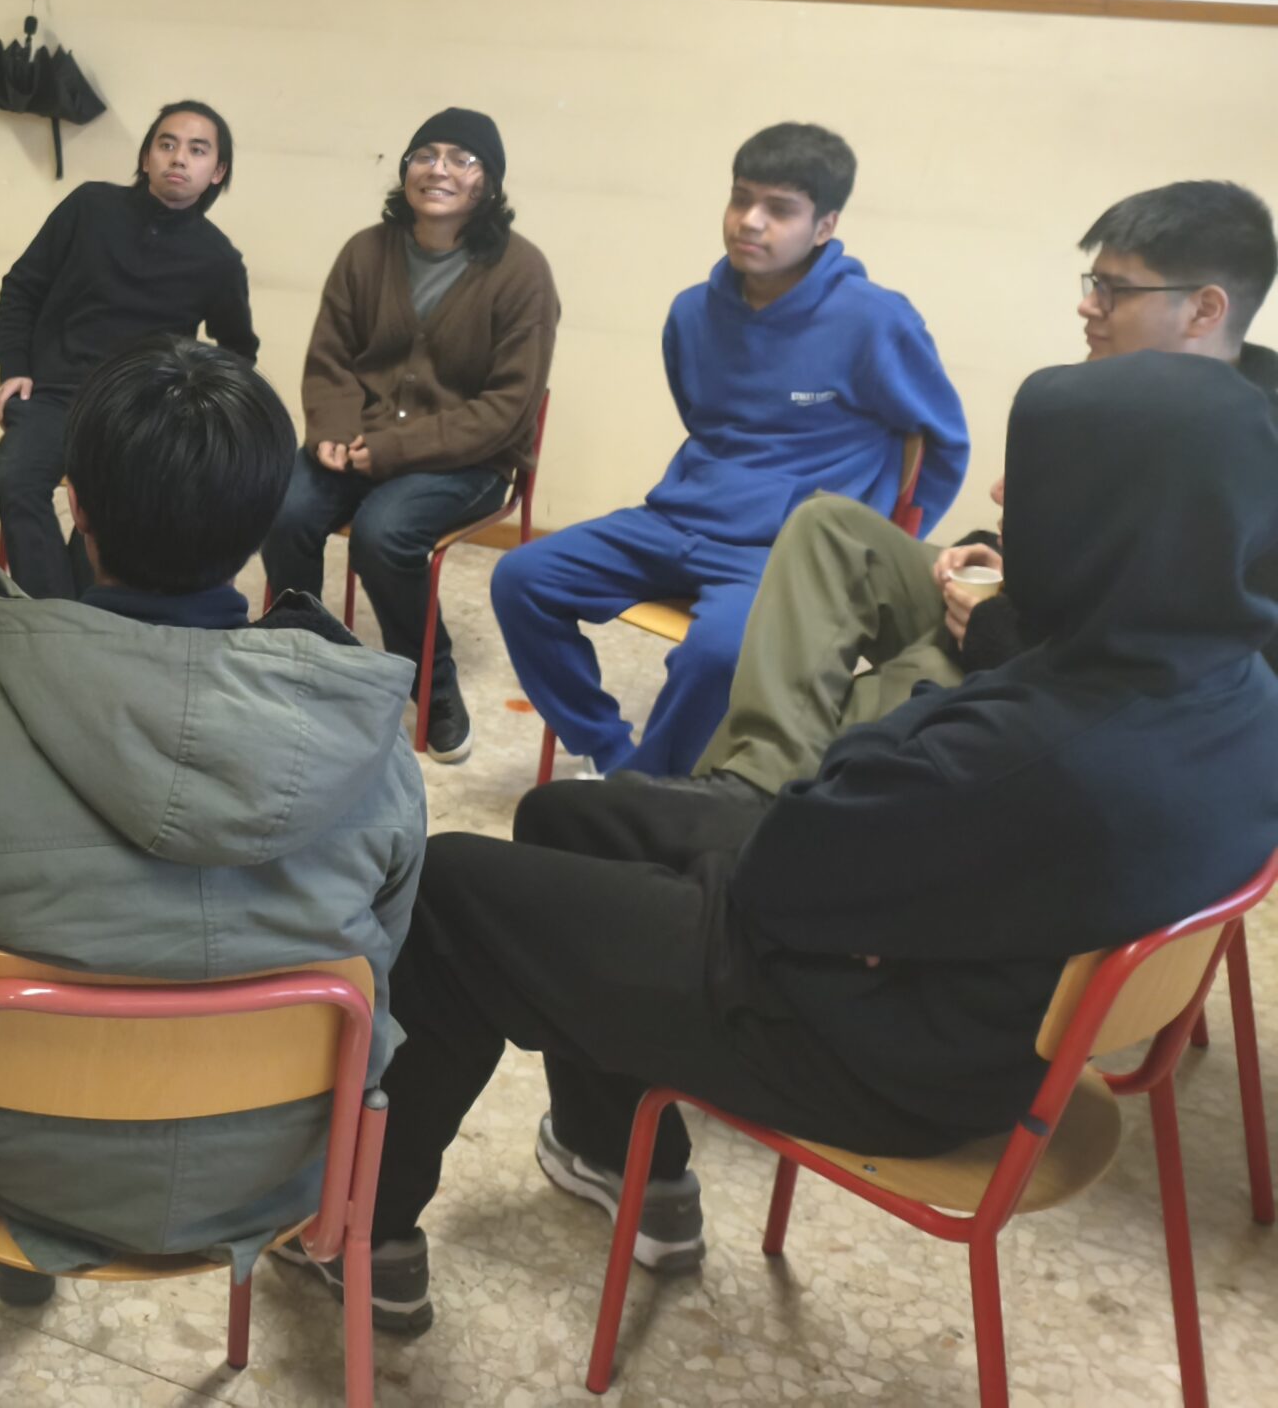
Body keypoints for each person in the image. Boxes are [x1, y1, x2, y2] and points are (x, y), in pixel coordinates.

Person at [284, 350, 1278, 1337]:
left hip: (874, 1052)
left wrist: (917, 717)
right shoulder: (1234, 688)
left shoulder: (1020, 750)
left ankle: (360, 1237)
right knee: (571, 818)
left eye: (1037, 477)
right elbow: (853, 838)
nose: (1005, 495)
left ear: (1113, 520)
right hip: (967, 993)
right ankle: (619, 1157)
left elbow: (783, 869)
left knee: (452, 888)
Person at [0, 335, 425, 1307]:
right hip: (280, 1176)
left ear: (74, 506)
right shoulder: (378, 757)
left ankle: (25, 1261)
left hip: (22, 1174)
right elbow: (382, 962)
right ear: (264, 524)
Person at [691, 178, 1278, 802]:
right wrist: (991, 550)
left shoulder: (1247, 457)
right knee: (829, 524)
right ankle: (753, 785)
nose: (1088, 307)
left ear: (1204, 310)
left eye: (1116, 290)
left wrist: (997, 635)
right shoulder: (1115, 394)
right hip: (1014, 620)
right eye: (1093, 283)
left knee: (877, 703)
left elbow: (1188, 683)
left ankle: (745, 801)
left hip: (1069, 691)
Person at [489, 122, 967, 778]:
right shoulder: (691, 313)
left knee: (718, 654)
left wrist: (881, 553)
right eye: (741, 198)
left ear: (824, 227)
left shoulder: (876, 321)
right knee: (522, 579)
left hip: (782, 550)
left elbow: (942, 443)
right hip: (676, 520)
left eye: (780, 209)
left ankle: (649, 790)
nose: (750, 221)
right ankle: (612, 755)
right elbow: (705, 419)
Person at [261, 108, 560, 762]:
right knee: (282, 507)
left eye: (461, 158)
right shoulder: (365, 252)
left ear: (488, 182)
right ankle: (303, 662)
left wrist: (395, 450)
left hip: (469, 460)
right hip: (361, 441)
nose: (438, 169)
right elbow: (331, 358)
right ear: (405, 171)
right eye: (425, 154)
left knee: (384, 532)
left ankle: (433, 685)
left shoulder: (522, 271)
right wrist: (333, 428)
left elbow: (506, 408)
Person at [0, 102, 258, 600]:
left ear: (217, 171)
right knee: (17, 476)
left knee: (116, 507)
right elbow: (22, 287)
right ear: (145, 157)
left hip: (140, 410)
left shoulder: (218, 259)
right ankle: (57, 623)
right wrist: (15, 368)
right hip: (54, 394)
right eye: (166, 144)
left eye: (197, 150)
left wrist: (193, 407)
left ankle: (78, 615)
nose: (179, 158)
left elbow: (238, 352)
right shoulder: (89, 207)